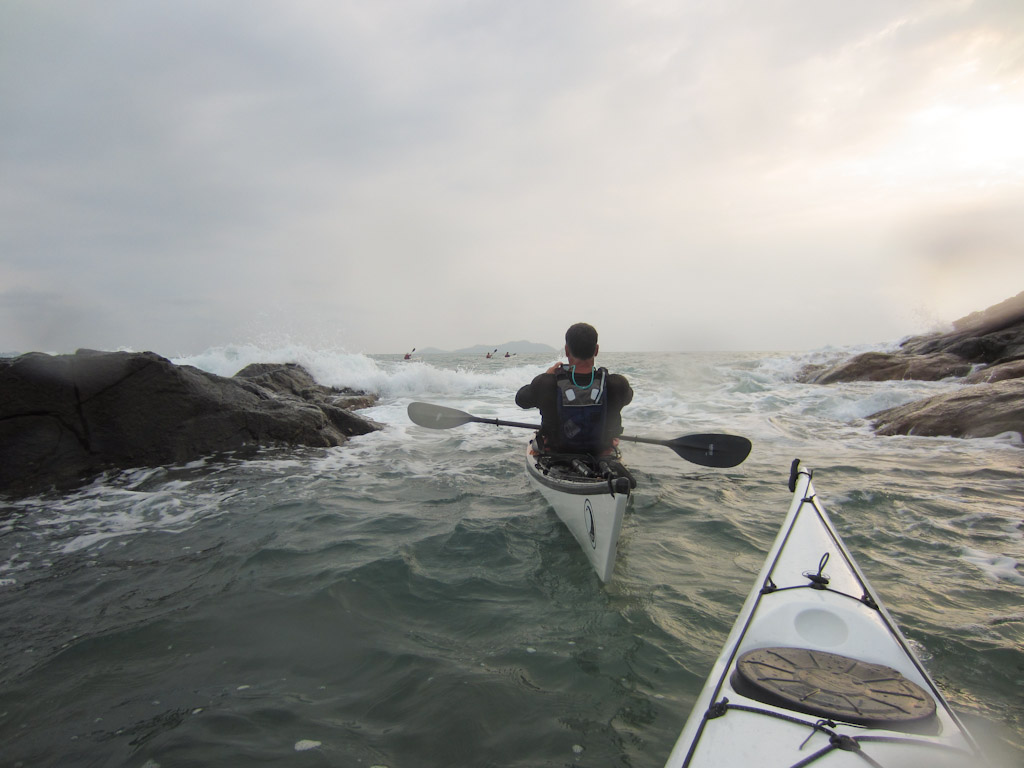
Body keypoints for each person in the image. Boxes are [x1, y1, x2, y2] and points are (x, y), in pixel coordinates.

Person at [515, 322, 633, 455]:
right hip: (601, 453)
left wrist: (547, 376)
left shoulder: (546, 383)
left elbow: (520, 400)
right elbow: (627, 398)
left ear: (566, 350)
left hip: (556, 453)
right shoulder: (616, 384)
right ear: (596, 350)